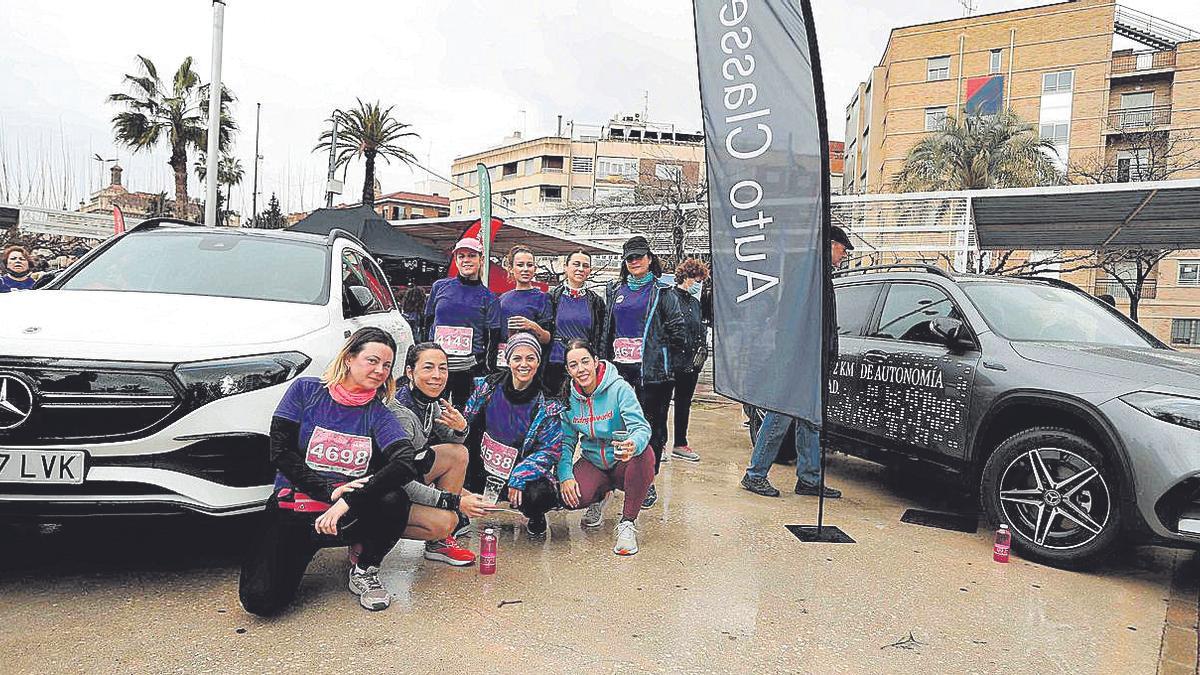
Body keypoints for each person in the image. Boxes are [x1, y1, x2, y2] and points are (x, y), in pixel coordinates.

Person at [239, 328, 465, 616]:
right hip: (297, 509)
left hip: (350, 515)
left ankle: (365, 567)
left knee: (393, 498)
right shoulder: (306, 391)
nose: (380, 370)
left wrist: (347, 500)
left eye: (386, 365)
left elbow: (404, 462)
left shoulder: (379, 413)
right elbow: (280, 452)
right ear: (348, 358)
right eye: (372, 361)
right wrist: (327, 491)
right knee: (260, 601)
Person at [740, 226, 853, 499]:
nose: (844, 254)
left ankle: (809, 479)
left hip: (812, 361)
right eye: (842, 248)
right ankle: (755, 474)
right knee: (780, 418)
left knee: (810, 420)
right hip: (798, 360)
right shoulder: (807, 272)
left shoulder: (820, 274)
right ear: (830, 244)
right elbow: (791, 318)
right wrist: (795, 356)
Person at [602, 235, 685, 509]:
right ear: (624, 263)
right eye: (630, 258)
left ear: (650, 259)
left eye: (639, 256)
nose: (635, 261)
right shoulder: (615, 291)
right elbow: (608, 329)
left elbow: (678, 331)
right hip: (620, 370)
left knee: (651, 426)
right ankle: (617, 476)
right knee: (619, 424)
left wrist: (666, 362)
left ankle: (646, 480)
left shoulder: (664, 292)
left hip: (653, 375)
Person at [387, 341, 489, 566]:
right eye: (428, 367)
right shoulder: (401, 414)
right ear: (410, 372)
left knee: (457, 453)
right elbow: (395, 477)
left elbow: (453, 442)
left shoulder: (429, 402)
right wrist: (453, 501)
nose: (437, 375)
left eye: (442, 368)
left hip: (407, 475)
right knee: (447, 520)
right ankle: (366, 540)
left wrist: (461, 427)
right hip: (385, 492)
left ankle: (439, 543)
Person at [556, 340, 653, 556]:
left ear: (595, 361)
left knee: (645, 453)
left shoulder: (619, 389)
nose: (580, 369)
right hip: (593, 462)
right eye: (573, 365)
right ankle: (600, 497)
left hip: (621, 460)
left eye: (585, 361)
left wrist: (633, 444)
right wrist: (565, 476)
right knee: (571, 499)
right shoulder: (568, 398)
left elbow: (641, 428)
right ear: (567, 370)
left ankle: (627, 523)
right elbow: (566, 442)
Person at [462, 333, 564, 536]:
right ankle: (459, 514)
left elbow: (550, 450)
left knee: (541, 495)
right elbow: (466, 422)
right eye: (517, 358)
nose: (523, 364)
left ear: (538, 362)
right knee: (450, 464)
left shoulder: (547, 404)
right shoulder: (487, 387)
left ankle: (535, 514)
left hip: (518, 473)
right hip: (483, 468)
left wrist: (520, 475)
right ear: (508, 361)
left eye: (530, 358)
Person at [424, 237, 501, 409]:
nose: (466, 260)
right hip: (437, 366)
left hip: (468, 370)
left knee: (464, 416)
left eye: (472, 256)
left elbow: (492, 339)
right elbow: (427, 323)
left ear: (481, 260)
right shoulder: (439, 287)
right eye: (461, 256)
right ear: (456, 261)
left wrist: (487, 371)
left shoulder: (489, 298)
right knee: (432, 413)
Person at [664, 258, 710, 463]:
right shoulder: (668, 298)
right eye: (696, 280)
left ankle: (680, 443)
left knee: (684, 403)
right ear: (686, 276)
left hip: (691, 364)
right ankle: (659, 443)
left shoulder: (696, 303)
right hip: (670, 362)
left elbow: (699, 329)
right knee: (662, 404)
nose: (698, 284)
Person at [545, 250, 605, 397]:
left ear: (589, 270)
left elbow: (602, 335)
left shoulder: (596, 302)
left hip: (583, 367)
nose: (580, 269)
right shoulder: (551, 297)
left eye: (585, 266)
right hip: (555, 364)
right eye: (576, 264)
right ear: (566, 267)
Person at [496, 245, 553, 370]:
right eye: (520, 265)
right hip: (503, 363)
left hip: (529, 365)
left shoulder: (543, 298)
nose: (525, 269)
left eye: (529, 265)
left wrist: (532, 326)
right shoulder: (502, 299)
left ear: (535, 269)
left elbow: (547, 338)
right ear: (511, 268)